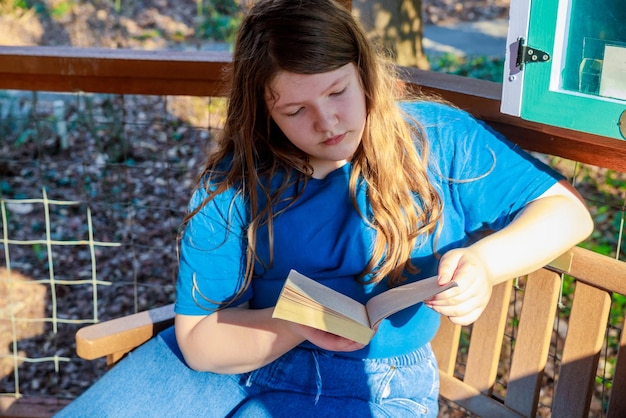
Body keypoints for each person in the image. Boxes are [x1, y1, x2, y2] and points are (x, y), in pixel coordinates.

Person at [55, 0, 593, 416]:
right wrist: (296, 324)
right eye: (296, 110)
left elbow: (567, 212)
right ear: (264, 114)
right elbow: (198, 341)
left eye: (338, 92)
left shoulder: (435, 140)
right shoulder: (235, 183)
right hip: (238, 358)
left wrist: (485, 264)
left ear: (363, 74)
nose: (329, 123)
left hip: (374, 379)